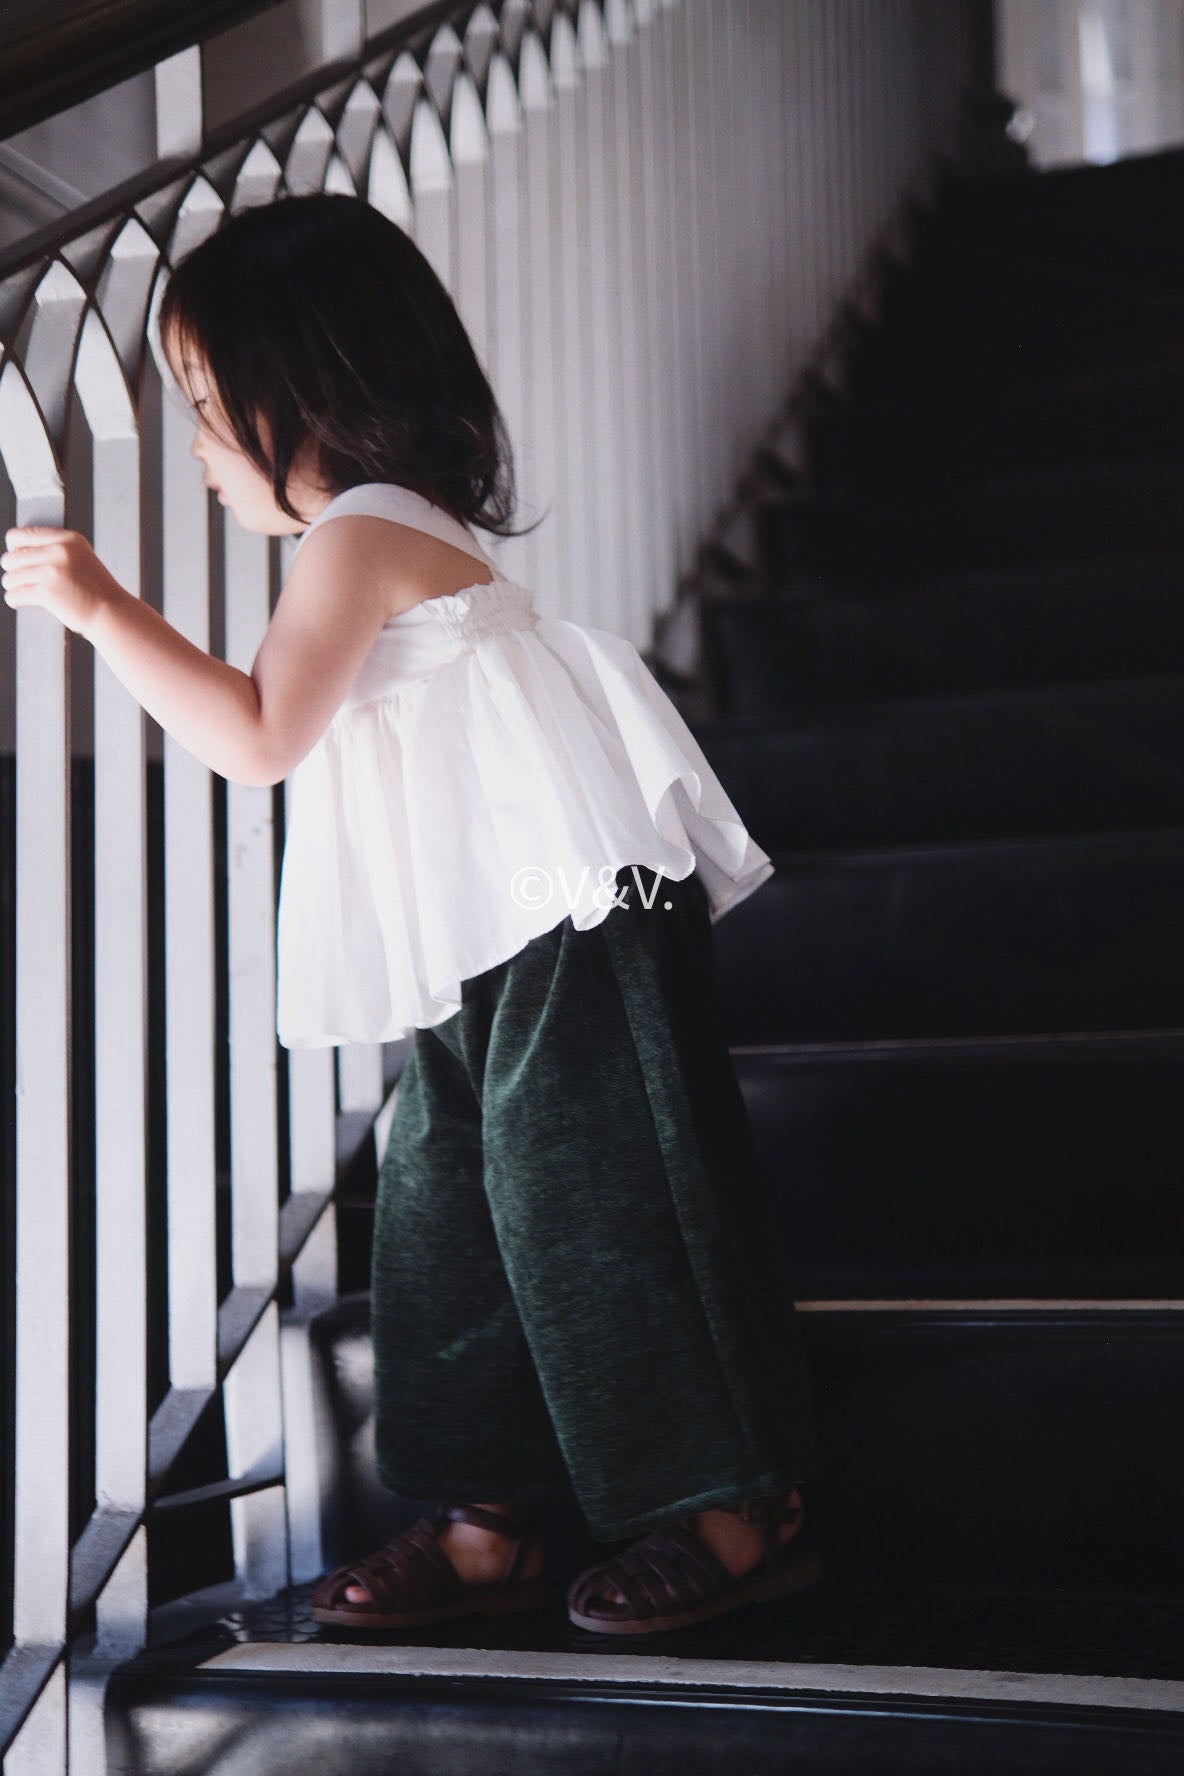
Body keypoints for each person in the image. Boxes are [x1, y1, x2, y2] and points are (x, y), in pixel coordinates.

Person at [1, 192, 823, 1636]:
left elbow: (259, 734)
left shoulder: (362, 531)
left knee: (594, 1196)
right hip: (493, 934)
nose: (194, 445)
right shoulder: (376, 536)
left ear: (305, 388)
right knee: (451, 1211)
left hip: (568, 919)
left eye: (205, 403)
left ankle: (729, 1501)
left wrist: (95, 606)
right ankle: (484, 1513)